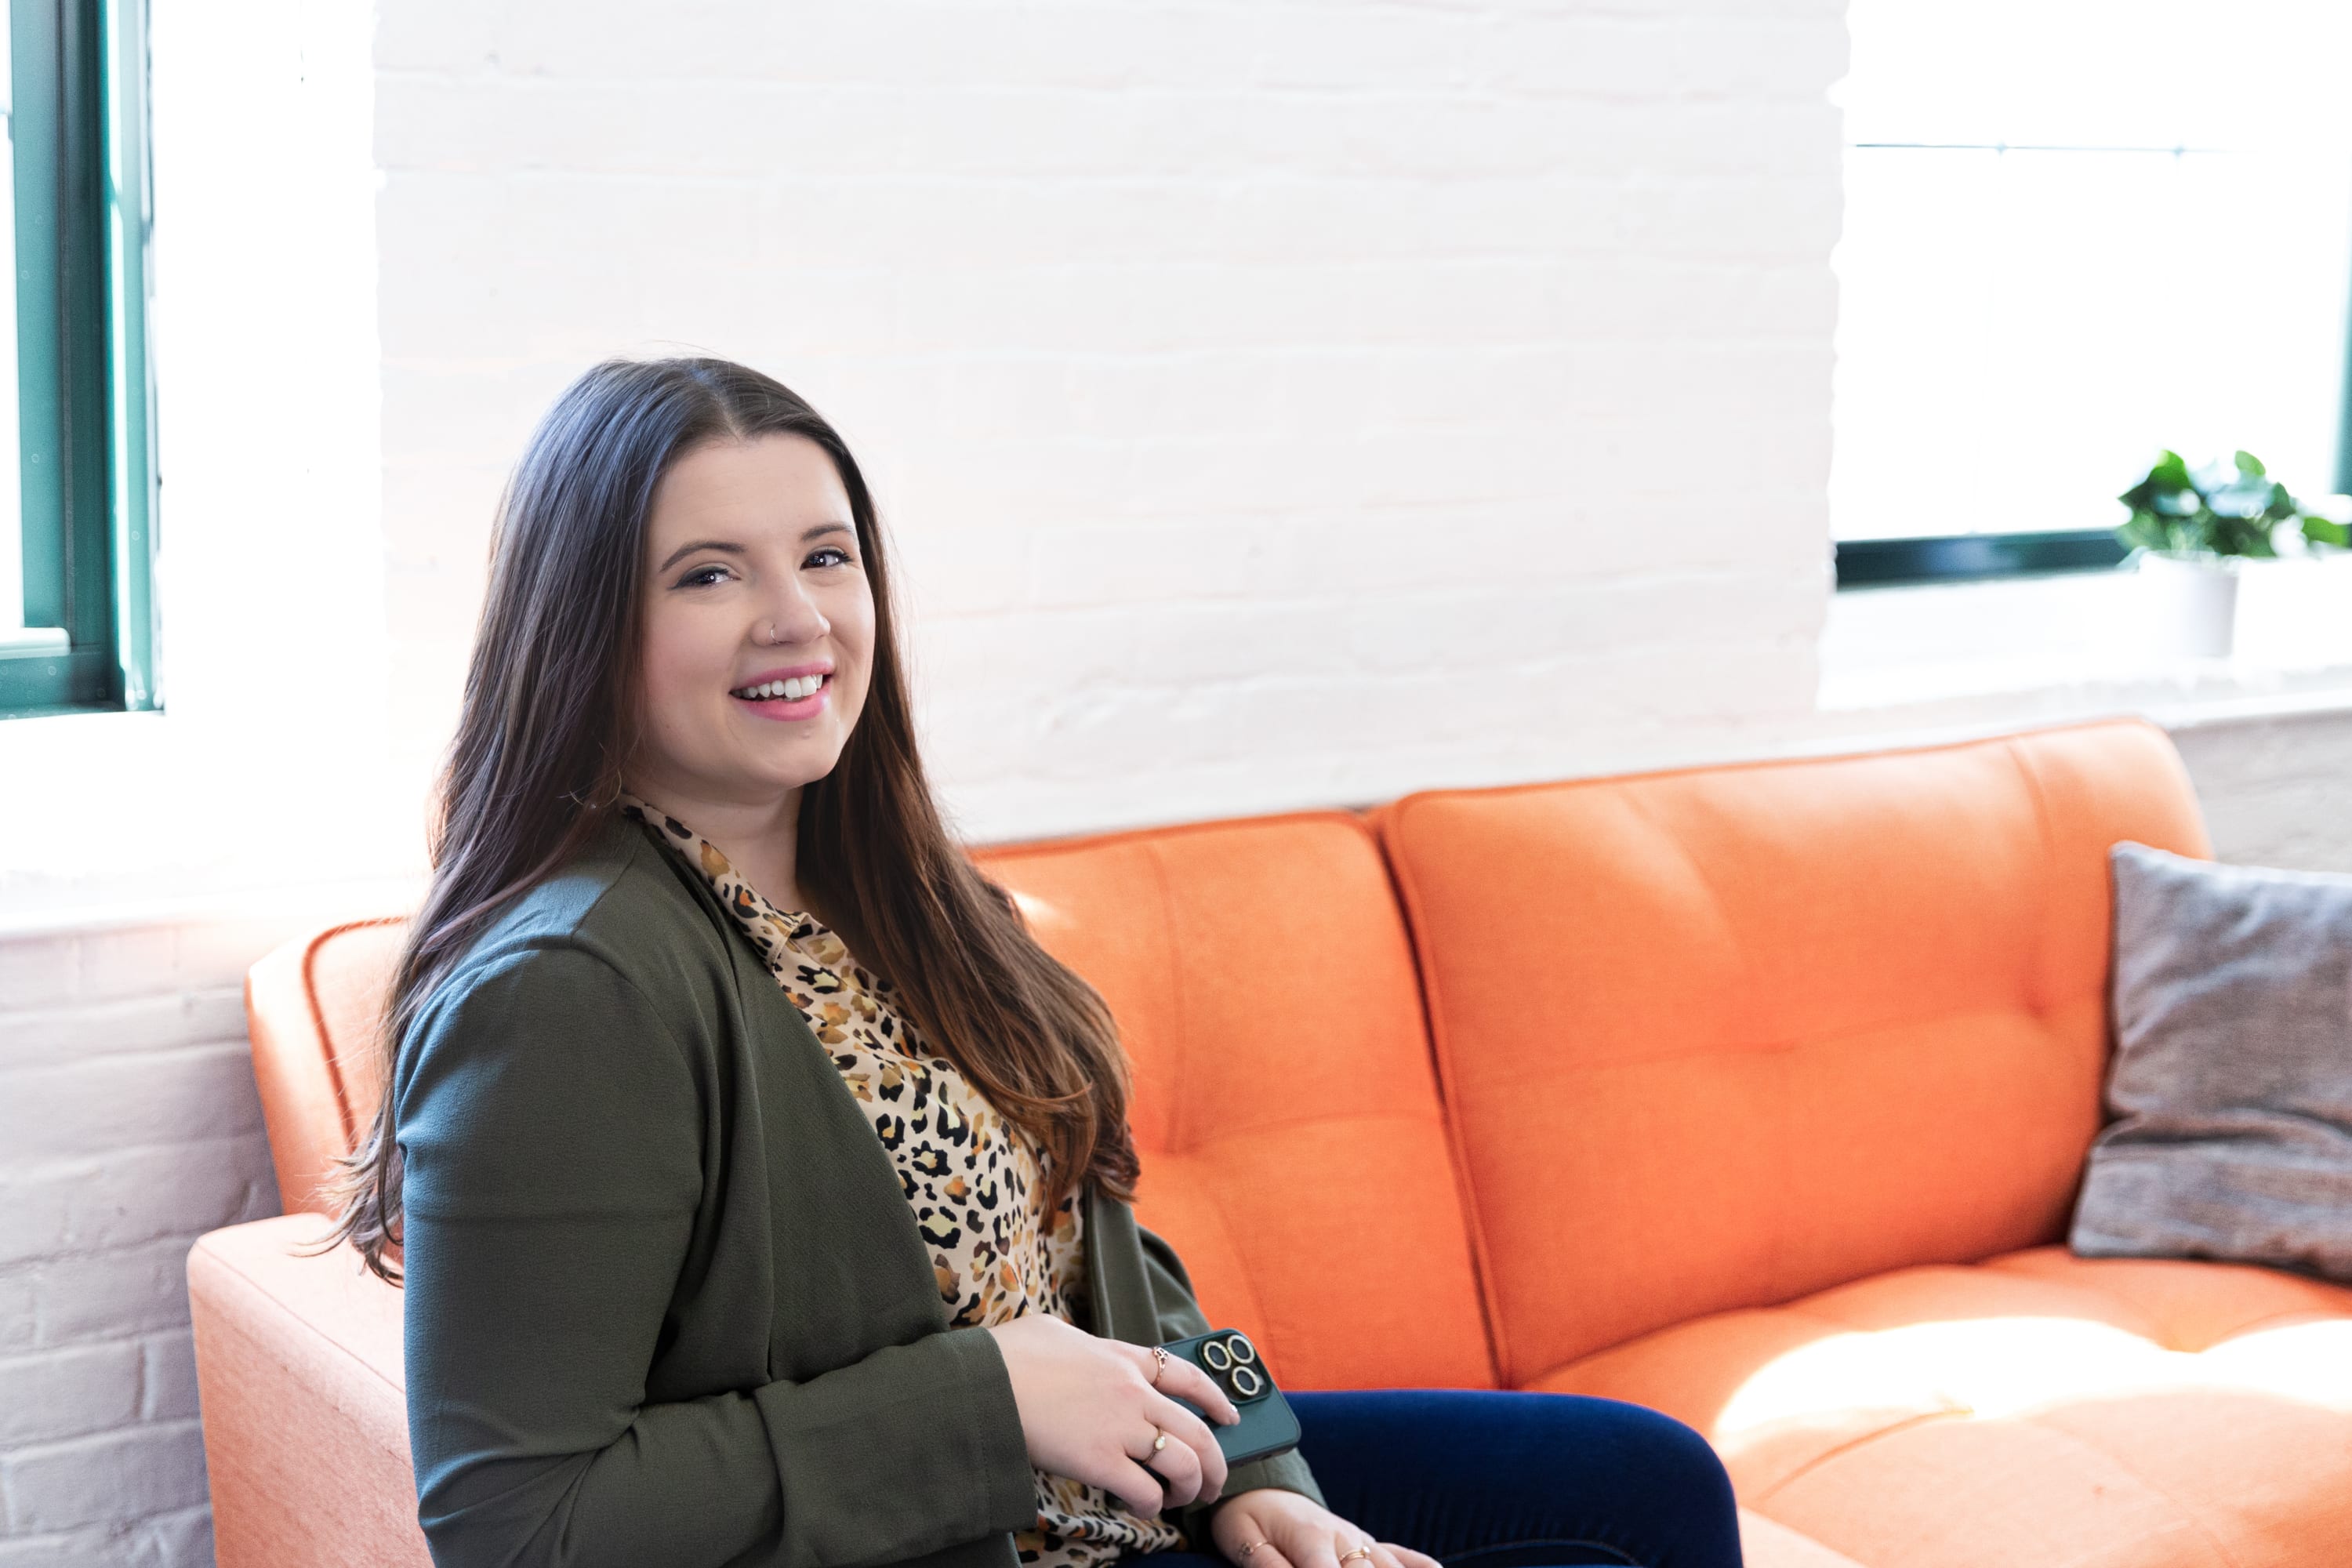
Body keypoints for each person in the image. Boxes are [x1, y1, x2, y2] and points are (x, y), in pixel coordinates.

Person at [327, 356, 1746, 1568]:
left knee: (1646, 1483)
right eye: (711, 574)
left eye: (827, 556)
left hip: (1139, 1506)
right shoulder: (567, 993)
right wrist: (985, 1402)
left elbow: (1124, 1250)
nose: (798, 618)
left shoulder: (914, 897)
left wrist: (1263, 1465)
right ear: (587, 628)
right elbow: (515, 1521)